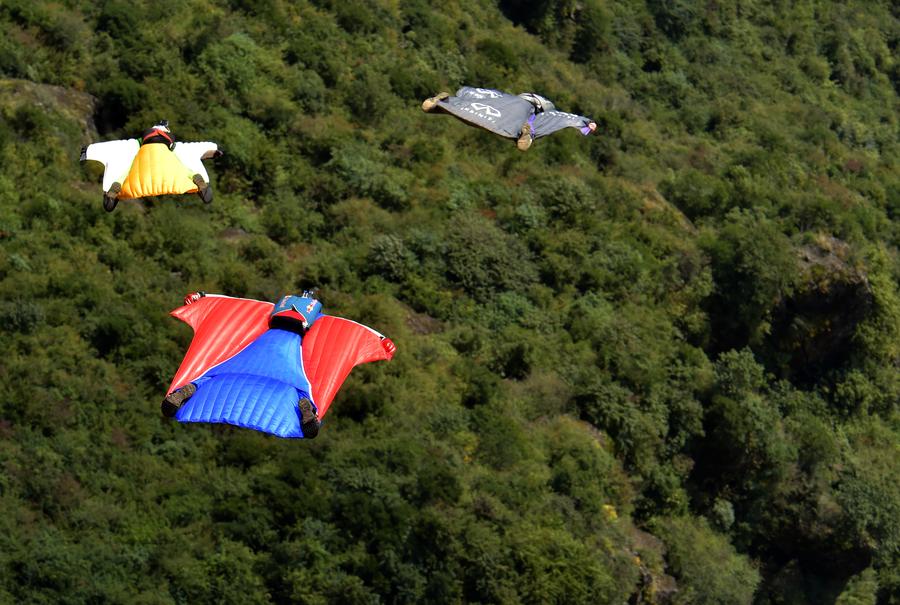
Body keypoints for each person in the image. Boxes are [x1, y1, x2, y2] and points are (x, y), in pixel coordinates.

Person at [162, 290, 322, 438]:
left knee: (213, 374)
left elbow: (235, 301)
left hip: (258, 348)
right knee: (301, 389)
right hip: (288, 353)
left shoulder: (274, 308)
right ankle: (307, 408)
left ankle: (190, 389)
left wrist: (202, 295)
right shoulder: (318, 317)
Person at [422, 86, 597, 151]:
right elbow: (563, 118)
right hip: (511, 123)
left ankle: (440, 102)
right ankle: (526, 135)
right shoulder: (536, 111)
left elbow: (469, 91)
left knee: (460, 108)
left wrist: (459, 97)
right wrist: (587, 122)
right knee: (535, 126)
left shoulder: (500, 96)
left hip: (484, 108)